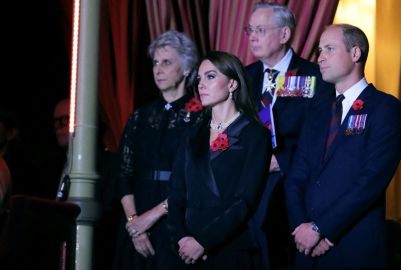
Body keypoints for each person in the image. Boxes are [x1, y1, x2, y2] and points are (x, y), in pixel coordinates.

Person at [285, 24, 401, 269]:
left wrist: (323, 230)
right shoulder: (318, 112)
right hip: (305, 248)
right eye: (320, 50)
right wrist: (301, 227)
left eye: (329, 49)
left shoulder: (384, 108)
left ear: (355, 54)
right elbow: (296, 176)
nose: (320, 57)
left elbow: (371, 181)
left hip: (353, 245)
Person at [244, 2, 334, 269]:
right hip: (247, 187)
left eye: (260, 29)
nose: (253, 36)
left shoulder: (315, 76)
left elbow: (322, 137)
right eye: (250, 30)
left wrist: (281, 160)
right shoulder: (244, 77)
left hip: (292, 187)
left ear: (284, 35)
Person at [168, 51, 271, 269]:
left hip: (229, 246)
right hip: (186, 248)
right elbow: (176, 194)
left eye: (211, 76)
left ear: (232, 84)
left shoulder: (254, 135)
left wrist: (204, 241)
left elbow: (245, 200)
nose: (201, 84)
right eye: (199, 79)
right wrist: (182, 238)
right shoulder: (192, 134)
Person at [115, 30, 202, 270]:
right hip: (136, 217)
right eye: (155, 62)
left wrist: (151, 217)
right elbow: (123, 174)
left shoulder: (200, 116)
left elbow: (196, 179)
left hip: (175, 217)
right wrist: (134, 223)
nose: (158, 69)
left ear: (186, 69)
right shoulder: (140, 116)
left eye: (166, 62)